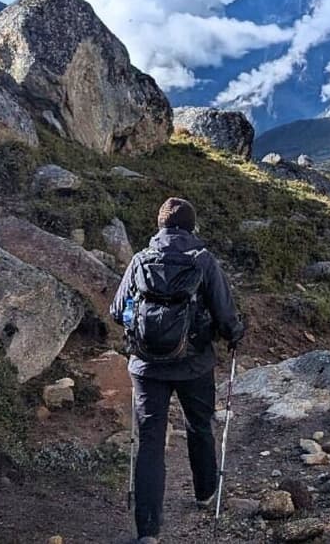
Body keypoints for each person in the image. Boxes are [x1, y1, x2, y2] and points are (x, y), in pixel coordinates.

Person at [110, 197, 245, 544]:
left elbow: (116, 309)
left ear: (160, 226)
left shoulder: (141, 259)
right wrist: (233, 334)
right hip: (194, 364)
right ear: (191, 227)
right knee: (200, 426)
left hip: (146, 365)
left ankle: (148, 531)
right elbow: (225, 313)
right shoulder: (203, 261)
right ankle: (205, 493)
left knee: (150, 441)